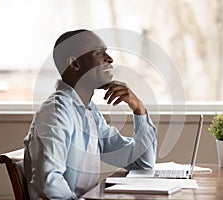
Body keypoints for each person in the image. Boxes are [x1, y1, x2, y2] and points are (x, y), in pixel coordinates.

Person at [23, 29, 158, 199]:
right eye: (100, 53)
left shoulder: (90, 112)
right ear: (74, 64)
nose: (110, 59)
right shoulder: (56, 113)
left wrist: (139, 108)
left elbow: (142, 163)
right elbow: (49, 185)